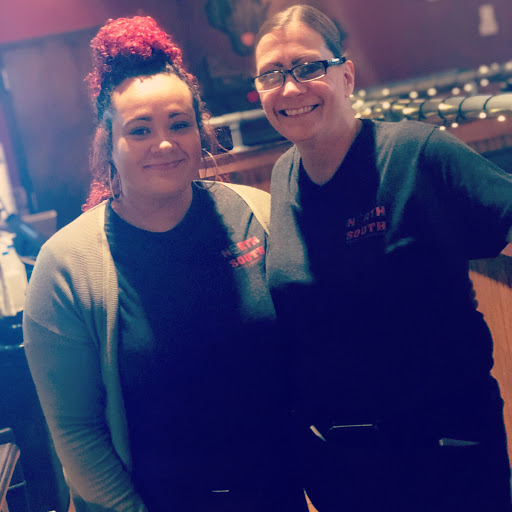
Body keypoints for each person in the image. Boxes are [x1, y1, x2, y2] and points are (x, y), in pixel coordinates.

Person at [23, 16, 306, 512]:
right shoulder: (65, 267)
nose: (166, 143)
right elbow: (76, 433)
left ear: (200, 130)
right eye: (140, 130)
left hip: (277, 495)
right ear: (108, 143)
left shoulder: (258, 214)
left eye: (180, 124)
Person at [253, 4, 512, 512]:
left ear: (346, 75)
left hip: (445, 455)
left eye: (307, 66)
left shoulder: (416, 152)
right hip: (345, 470)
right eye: (271, 74)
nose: (290, 87)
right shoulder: (283, 176)